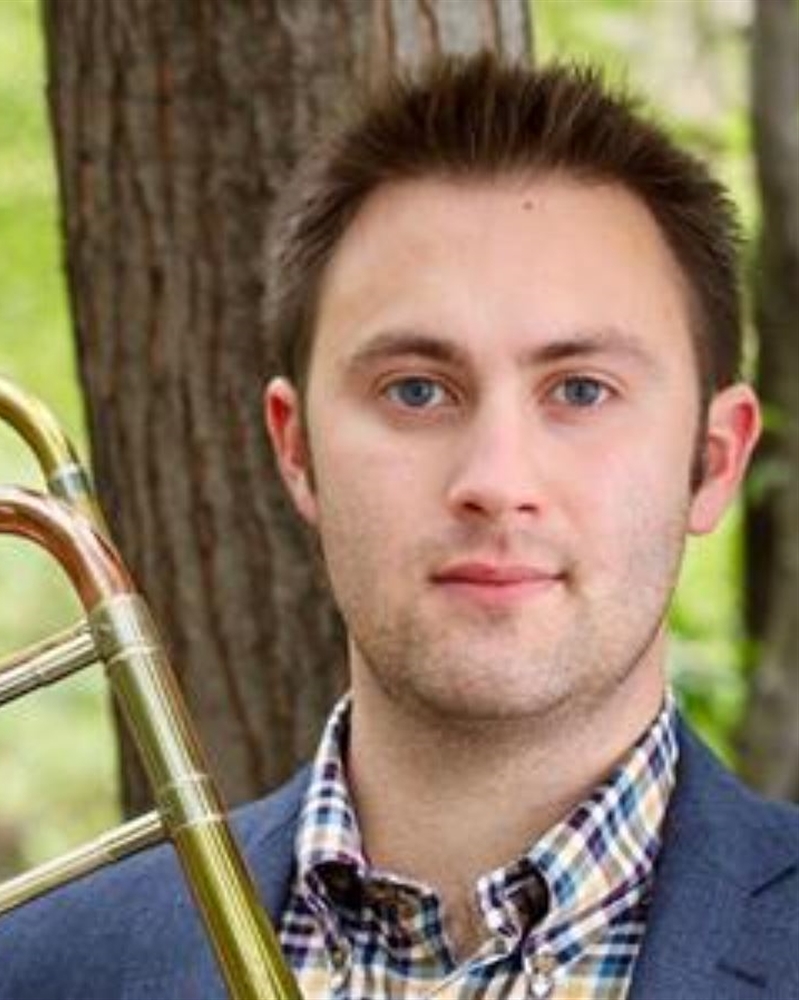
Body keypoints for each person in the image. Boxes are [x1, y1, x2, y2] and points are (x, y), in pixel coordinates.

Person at [0, 53, 797, 1000]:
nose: (496, 481)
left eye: (581, 390)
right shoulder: (40, 968)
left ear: (710, 460)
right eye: (415, 390)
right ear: (297, 452)